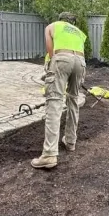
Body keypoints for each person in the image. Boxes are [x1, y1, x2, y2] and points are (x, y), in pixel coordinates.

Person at [31, 12, 87, 169]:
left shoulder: (52, 26)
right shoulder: (79, 32)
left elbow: (51, 51)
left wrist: (51, 67)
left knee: (54, 102)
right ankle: (70, 141)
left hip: (62, 59)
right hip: (80, 63)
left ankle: (49, 154)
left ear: (60, 19)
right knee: (73, 99)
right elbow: (81, 55)